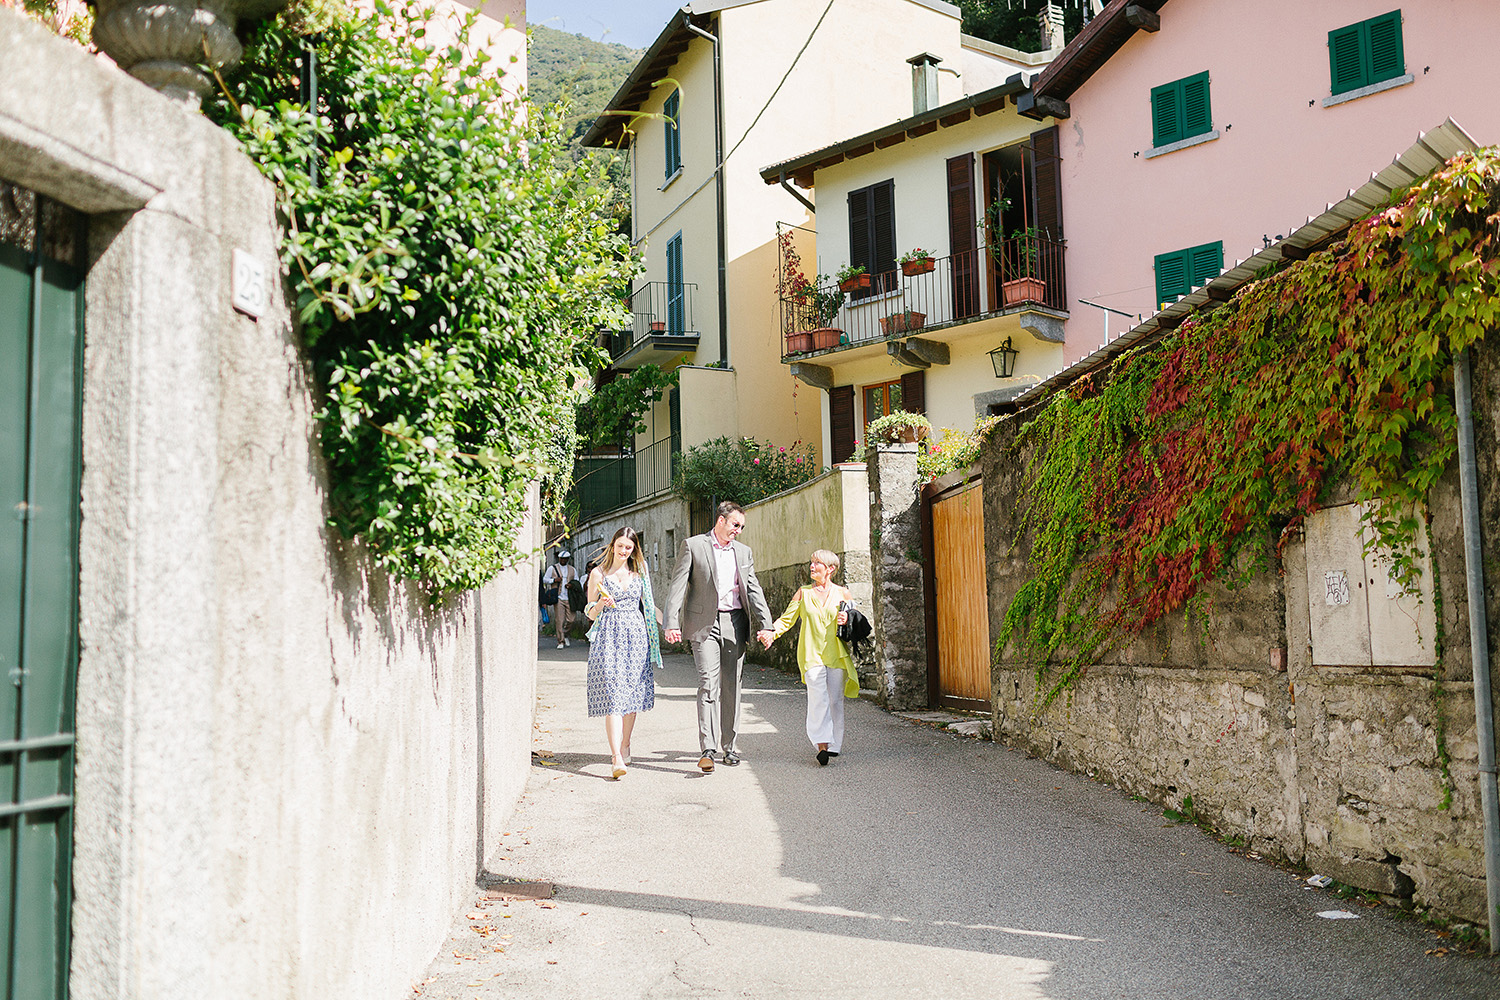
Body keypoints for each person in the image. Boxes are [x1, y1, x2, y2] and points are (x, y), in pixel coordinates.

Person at [664, 501, 773, 773]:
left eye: (742, 527)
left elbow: (753, 589)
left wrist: (766, 624)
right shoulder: (694, 546)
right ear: (721, 520)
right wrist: (670, 622)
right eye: (735, 524)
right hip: (704, 624)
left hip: (735, 622)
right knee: (708, 684)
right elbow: (677, 586)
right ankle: (707, 748)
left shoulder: (743, 552)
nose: (738, 530)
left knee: (731, 686)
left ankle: (730, 746)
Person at [765, 549, 858, 766]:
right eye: (811, 563)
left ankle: (835, 744)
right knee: (818, 698)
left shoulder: (843, 594)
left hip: (836, 654)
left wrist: (847, 617)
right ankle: (822, 744)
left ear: (830, 569)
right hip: (811, 654)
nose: (812, 567)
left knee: (835, 700)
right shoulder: (803, 593)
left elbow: (856, 619)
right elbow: (786, 620)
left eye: (817, 563)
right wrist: (772, 632)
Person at [583, 527, 663, 779]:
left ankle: (625, 743)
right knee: (614, 696)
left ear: (634, 549)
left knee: (631, 696)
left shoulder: (639, 572)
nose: (624, 551)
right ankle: (616, 755)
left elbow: (649, 606)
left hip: (637, 637)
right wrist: (598, 604)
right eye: (620, 546)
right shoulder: (598, 573)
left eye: (628, 547)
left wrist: (670, 624)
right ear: (613, 545)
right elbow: (588, 612)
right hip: (608, 636)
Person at [543, 550, 577, 649]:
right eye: (561, 559)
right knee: (559, 620)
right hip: (558, 598)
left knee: (571, 619)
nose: (563, 560)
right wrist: (554, 580)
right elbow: (545, 579)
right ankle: (560, 641)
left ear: (568, 559)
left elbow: (577, 581)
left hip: (569, 598)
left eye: (565, 559)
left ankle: (566, 634)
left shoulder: (572, 569)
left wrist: (571, 585)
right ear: (559, 559)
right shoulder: (552, 568)